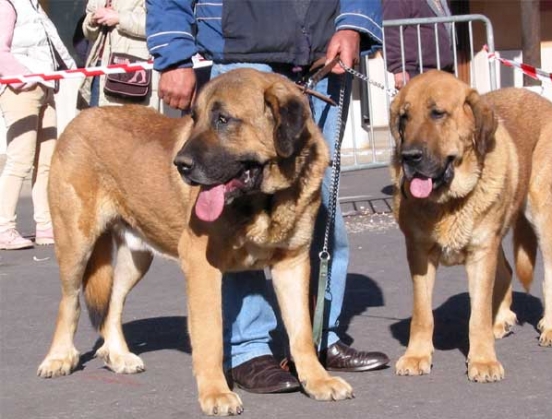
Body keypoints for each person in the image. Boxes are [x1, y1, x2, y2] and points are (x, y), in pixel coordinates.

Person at [146, 0, 390, 394]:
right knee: (233, 226)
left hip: (320, 56)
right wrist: (173, 53)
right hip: (239, 55)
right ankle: (249, 350)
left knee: (321, 209)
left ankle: (318, 338)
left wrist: (353, 25)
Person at [0, 0, 76, 250]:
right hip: (21, 89)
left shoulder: (32, 4)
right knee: (19, 160)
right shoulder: (8, 4)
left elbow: (51, 40)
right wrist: (25, 79)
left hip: (45, 87)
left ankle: (44, 226)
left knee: (46, 162)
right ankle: (4, 227)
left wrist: (72, 70)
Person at [79, 0, 159, 109]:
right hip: (98, 70)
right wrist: (93, 19)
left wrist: (119, 18)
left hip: (131, 76)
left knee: (128, 124)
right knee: (97, 123)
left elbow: (160, 24)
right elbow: (89, 34)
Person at [383, 0, 454, 90]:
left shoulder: (441, 2)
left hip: (442, 72)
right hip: (416, 73)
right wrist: (398, 69)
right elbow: (390, 32)